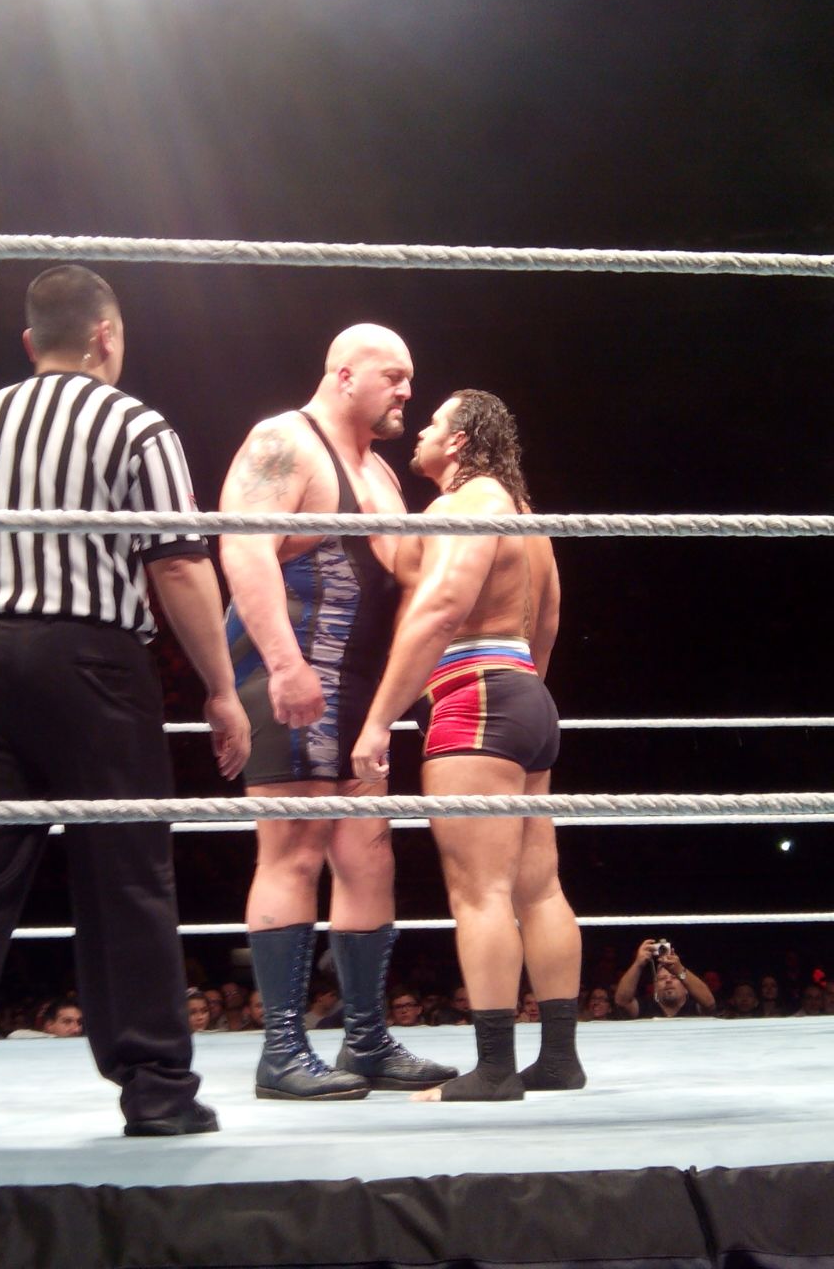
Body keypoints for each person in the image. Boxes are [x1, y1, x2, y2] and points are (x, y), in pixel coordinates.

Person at [0, 265, 250, 1149]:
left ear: (29, 342)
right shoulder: (135, 424)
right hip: (93, 668)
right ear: (106, 336)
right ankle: (156, 1093)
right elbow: (177, 563)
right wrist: (221, 686)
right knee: (125, 875)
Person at [220, 324, 455, 1100]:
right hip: (290, 672)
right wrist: (285, 665)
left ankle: (366, 1039)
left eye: (411, 378)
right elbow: (243, 548)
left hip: (359, 689)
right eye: (394, 375)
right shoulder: (285, 441)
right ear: (346, 374)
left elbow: (408, 581)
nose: (407, 390)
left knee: (370, 855)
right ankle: (283, 1051)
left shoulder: (380, 473)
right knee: (293, 851)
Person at [352, 389, 584, 1102]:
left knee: (479, 891)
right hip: (525, 694)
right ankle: (558, 1059)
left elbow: (440, 609)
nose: (419, 432)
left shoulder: (465, 505)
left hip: (475, 698)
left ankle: (493, 1070)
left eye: (432, 424)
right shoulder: (523, 518)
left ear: (458, 441)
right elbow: (546, 621)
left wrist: (379, 720)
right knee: (539, 887)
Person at [614, 940, 716, 1018]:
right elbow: (621, 1002)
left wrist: (680, 970)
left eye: (674, 977)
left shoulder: (694, 1008)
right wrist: (638, 964)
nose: (668, 981)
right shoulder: (645, 1007)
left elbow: (709, 1003)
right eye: (662, 978)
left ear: (686, 987)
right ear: (655, 987)